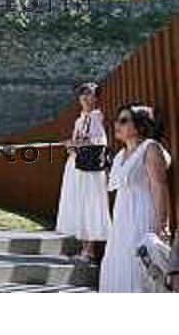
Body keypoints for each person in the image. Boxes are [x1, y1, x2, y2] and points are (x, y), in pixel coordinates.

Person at [99, 104, 171, 292]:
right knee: (120, 265)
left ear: (139, 125)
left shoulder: (151, 148)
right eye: (117, 120)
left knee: (140, 270)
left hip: (142, 215)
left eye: (123, 121)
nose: (117, 124)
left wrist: (162, 224)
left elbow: (159, 186)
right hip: (122, 220)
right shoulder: (120, 155)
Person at [56, 82, 111, 262]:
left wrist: (75, 144)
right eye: (83, 94)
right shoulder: (80, 120)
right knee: (81, 204)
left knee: (89, 204)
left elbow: (99, 141)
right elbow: (76, 144)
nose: (85, 98)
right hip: (77, 165)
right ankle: (84, 249)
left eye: (89, 94)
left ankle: (89, 250)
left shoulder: (96, 117)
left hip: (90, 169)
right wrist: (71, 147)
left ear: (96, 98)